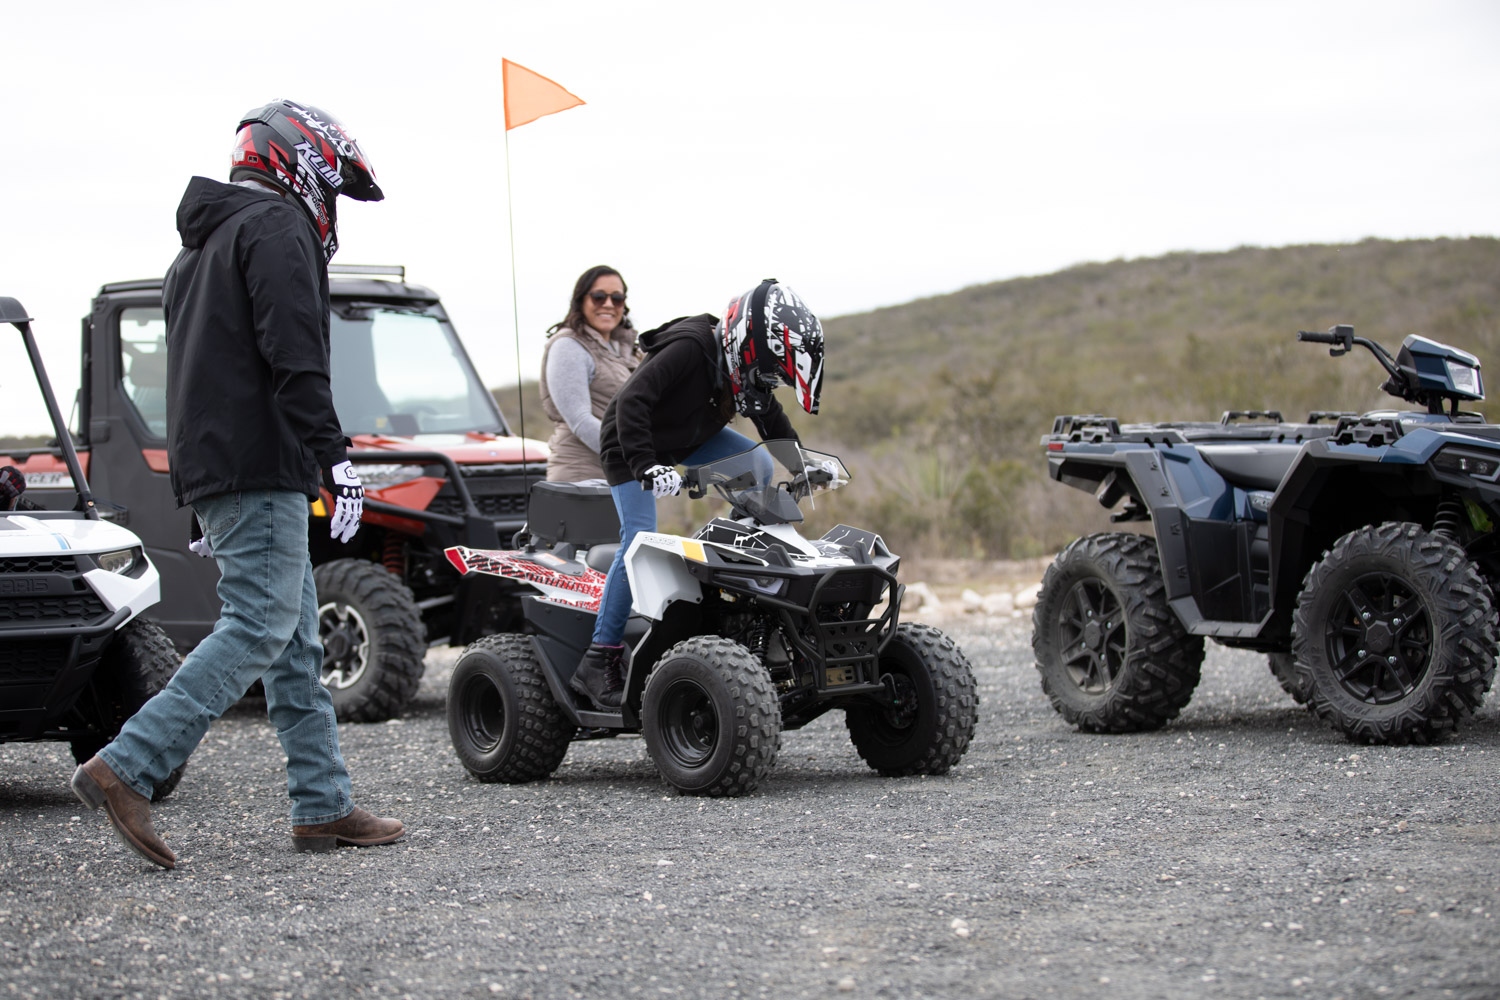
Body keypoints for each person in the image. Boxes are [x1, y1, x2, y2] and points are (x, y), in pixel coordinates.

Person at [69, 99, 403, 870]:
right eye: (334, 183)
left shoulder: (198, 250)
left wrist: (199, 487)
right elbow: (295, 360)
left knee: (292, 640)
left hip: (229, 467)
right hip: (261, 465)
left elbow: (189, 379)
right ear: (303, 161)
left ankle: (322, 806)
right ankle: (127, 763)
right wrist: (334, 458)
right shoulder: (275, 229)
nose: (332, 203)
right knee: (260, 627)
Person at [568, 279, 826, 708]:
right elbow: (632, 401)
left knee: (758, 464)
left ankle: (737, 595)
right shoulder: (691, 346)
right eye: (765, 371)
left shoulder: (743, 367)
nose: (765, 381)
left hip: (687, 437)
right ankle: (599, 660)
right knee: (638, 537)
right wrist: (645, 465)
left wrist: (805, 464)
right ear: (748, 345)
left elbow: (771, 420)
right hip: (630, 440)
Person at [538, 265, 644, 483]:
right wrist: (637, 455)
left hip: (623, 473)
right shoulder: (568, 346)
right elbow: (580, 420)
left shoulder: (628, 349)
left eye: (617, 298)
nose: (608, 304)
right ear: (581, 300)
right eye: (598, 297)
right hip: (582, 475)